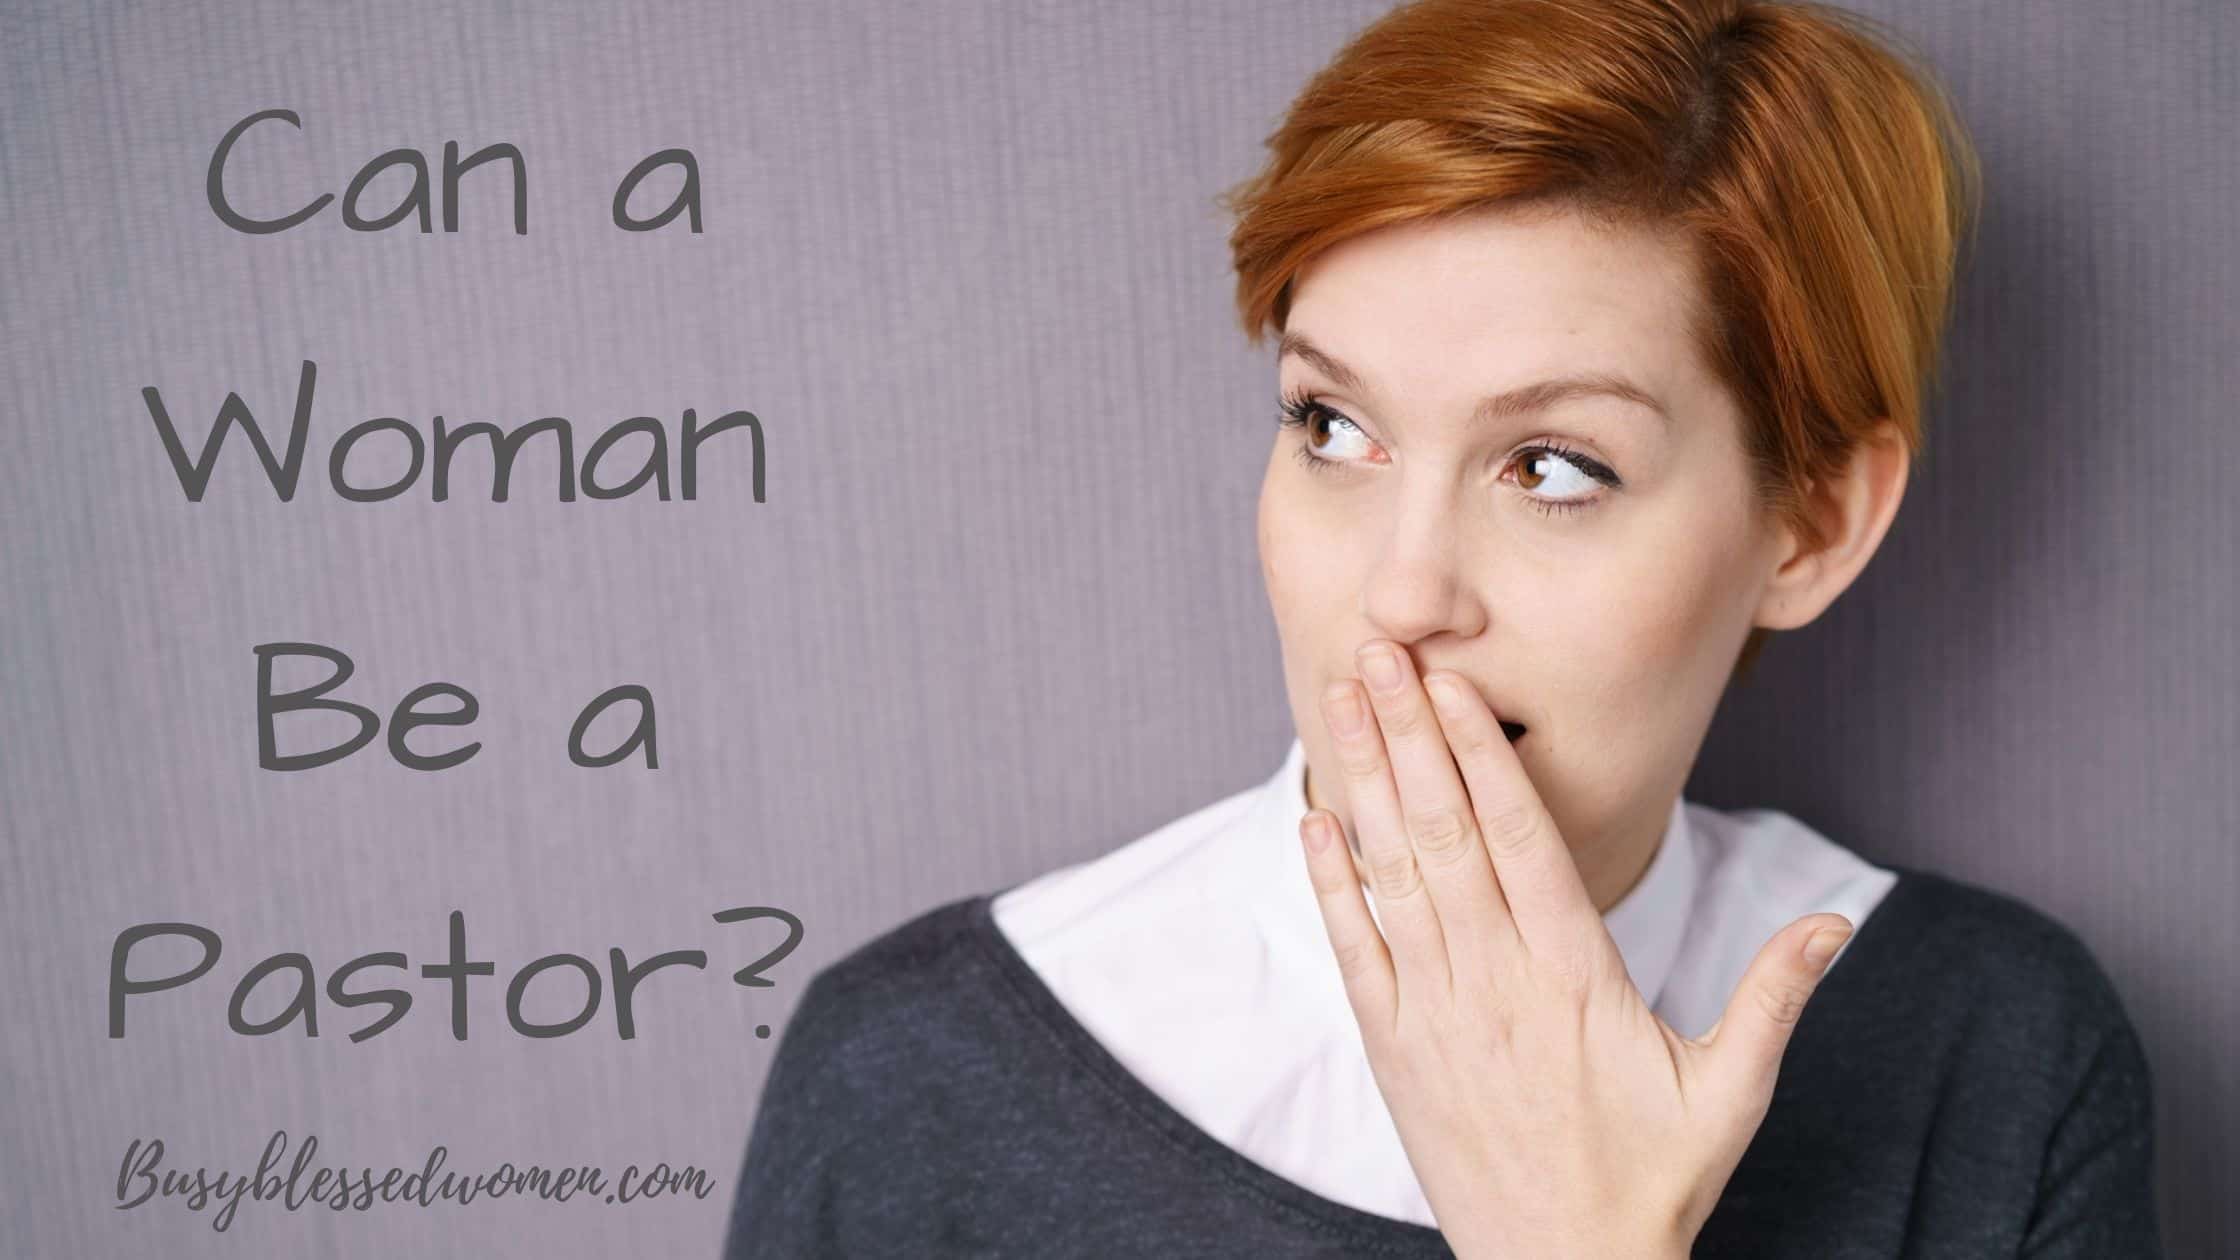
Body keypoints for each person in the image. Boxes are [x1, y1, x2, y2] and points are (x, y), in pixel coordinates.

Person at [722, 0, 2163, 1254]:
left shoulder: (1995, 1050)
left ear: (1816, 524)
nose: (1402, 595)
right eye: (1332, 426)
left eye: (1551, 467)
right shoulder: (915, 1080)